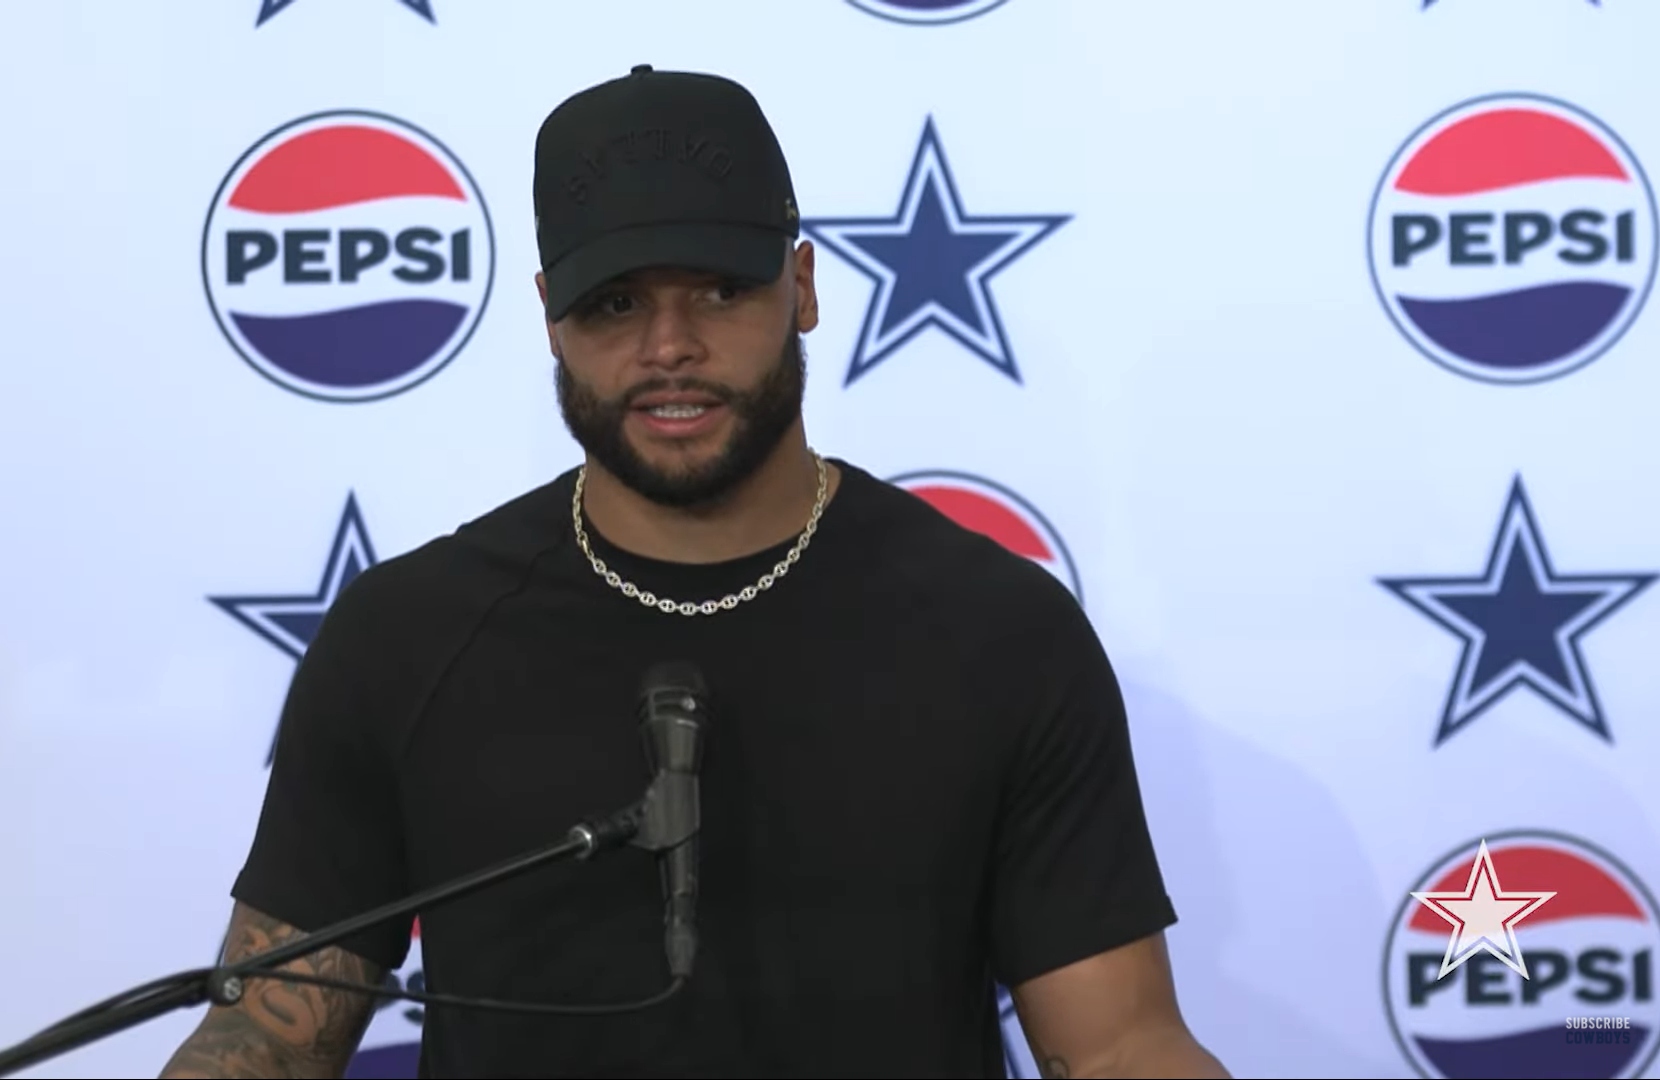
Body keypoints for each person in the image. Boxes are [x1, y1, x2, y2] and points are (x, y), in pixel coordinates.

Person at [161, 64, 1229, 1080]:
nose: (668, 345)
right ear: (548, 316)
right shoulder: (406, 637)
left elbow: (1117, 1047)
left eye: (719, 291)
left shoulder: (997, 632)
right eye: (614, 303)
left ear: (800, 286)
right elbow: (264, 1040)